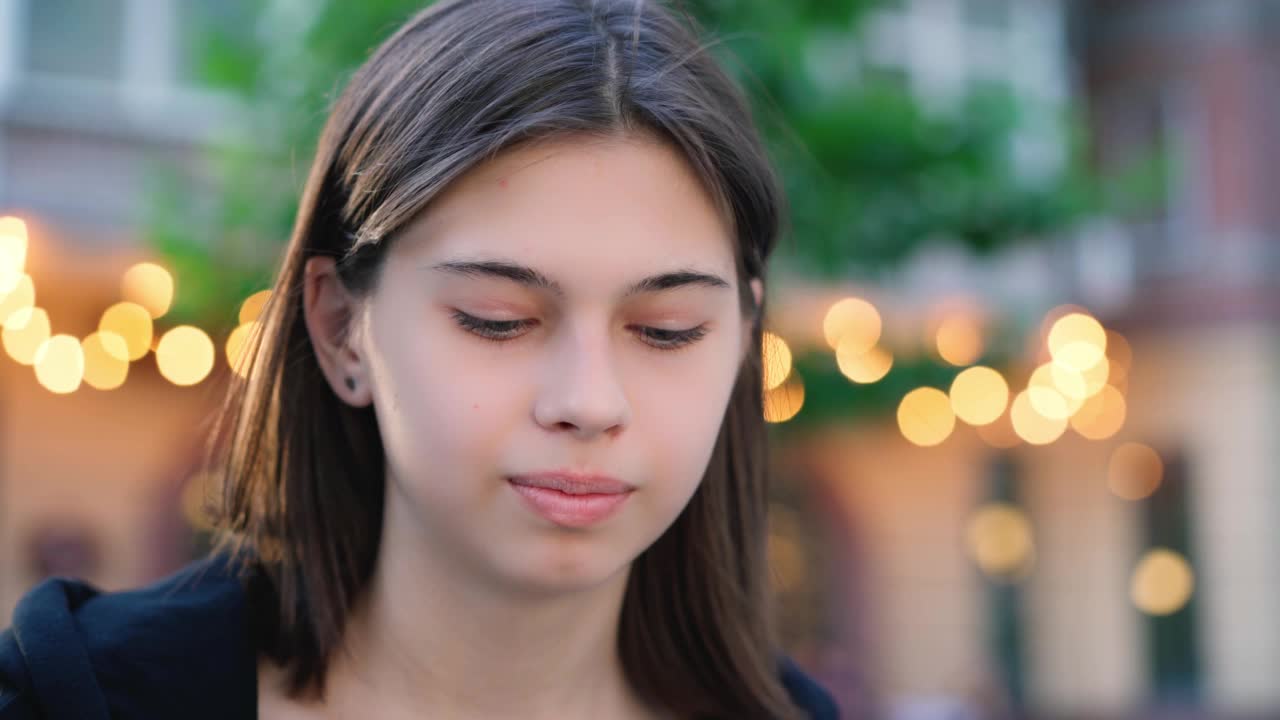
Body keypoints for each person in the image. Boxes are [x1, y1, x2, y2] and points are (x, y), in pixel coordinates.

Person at [0, 0, 840, 717]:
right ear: (340, 330)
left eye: (666, 330)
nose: (589, 401)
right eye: (498, 320)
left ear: (741, 340)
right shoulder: (83, 695)